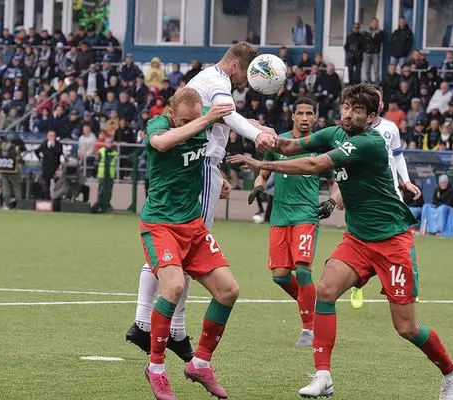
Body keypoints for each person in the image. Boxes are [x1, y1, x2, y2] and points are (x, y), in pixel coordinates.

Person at [228, 83, 453, 400]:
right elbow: (293, 146)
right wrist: (263, 137)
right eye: (346, 107)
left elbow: (315, 164)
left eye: (358, 110)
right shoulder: (333, 133)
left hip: (392, 242)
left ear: (371, 117)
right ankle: (323, 375)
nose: (349, 114)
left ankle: (450, 371)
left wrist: (264, 164)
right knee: (325, 290)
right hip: (358, 240)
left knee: (406, 327)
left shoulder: (370, 142)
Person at [126, 42, 277, 367]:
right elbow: (224, 114)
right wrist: (256, 135)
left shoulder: (204, 80)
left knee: (172, 247)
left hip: (198, 164)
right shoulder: (219, 82)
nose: (244, 83)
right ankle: (168, 330)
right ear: (235, 66)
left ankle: (145, 323)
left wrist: (251, 128)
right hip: (199, 164)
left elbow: (219, 118)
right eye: (245, 76)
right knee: (186, 247)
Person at [140, 87, 236, 400]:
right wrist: (203, 121)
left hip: (192, 225)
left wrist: (259, 131)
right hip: (160, 224)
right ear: (172, 114)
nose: (190, 125)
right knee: (174, 287)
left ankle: (200, 364)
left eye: (194, 119)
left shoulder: (201, 119)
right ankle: (156, 368)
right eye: (184, 121)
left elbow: (229, 125)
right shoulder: (158, 124)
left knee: (228, 291)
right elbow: (162, 143)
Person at [247, 98, 341, 348]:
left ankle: (308, 329)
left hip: (306, 216)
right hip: (280, 216)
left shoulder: (321, 148)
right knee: (280, 277)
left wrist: (332, 202)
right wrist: (258, 186)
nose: (305, 118)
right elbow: (262, 173)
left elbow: (335, 184)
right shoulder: (279, 143)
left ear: (315, 117)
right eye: (300, 113)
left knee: (302, 270)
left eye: (310, 113)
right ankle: (310, 303)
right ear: (293, 116)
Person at [349, 86, 422, 309]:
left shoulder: (390, 128)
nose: (378, 103)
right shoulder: (353, 127)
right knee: (361, 238)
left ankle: (410, 286)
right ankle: (356, 284)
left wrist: (406, 181)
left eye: (380, 99)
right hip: (364, 194)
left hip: (391, 192)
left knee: (404, 237)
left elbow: (398, 156)